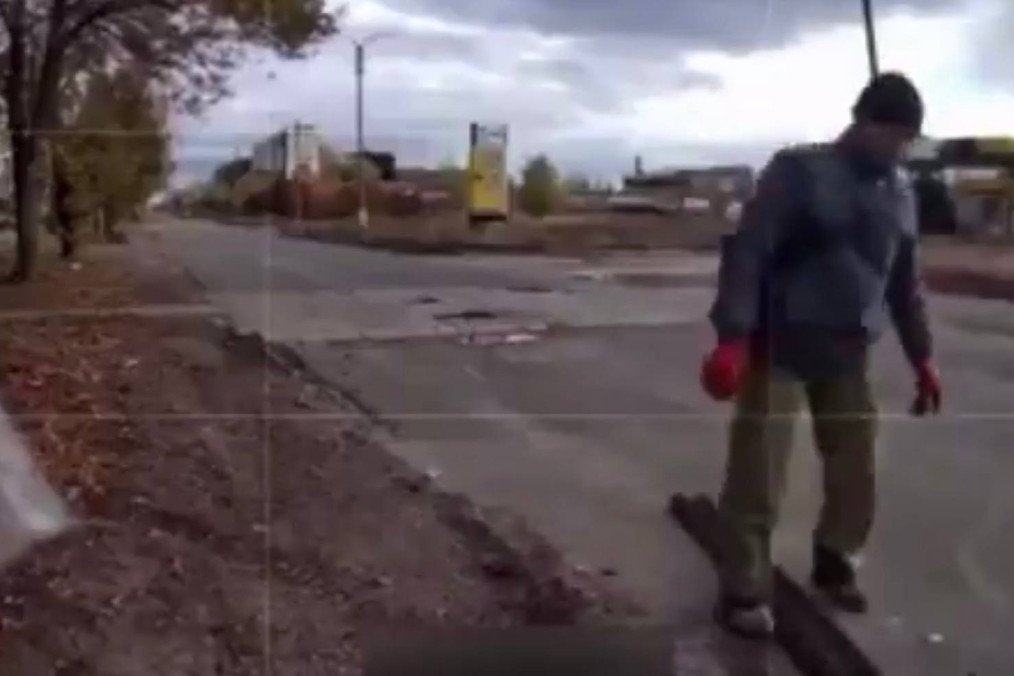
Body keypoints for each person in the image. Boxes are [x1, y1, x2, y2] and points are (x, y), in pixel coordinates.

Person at [700, 72, 943, 640]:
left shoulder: (900, 191)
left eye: (910, 138)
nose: (901, 147)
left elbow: (905, 283)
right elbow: (749, 252)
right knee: (760, 469)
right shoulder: (799, 172)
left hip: (847, 350)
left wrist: (922, 358)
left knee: (854, 465)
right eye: (895, 133)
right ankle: (742, 591)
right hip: (781, 341)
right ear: (863, 122)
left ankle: (836, 563)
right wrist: (733, 335)